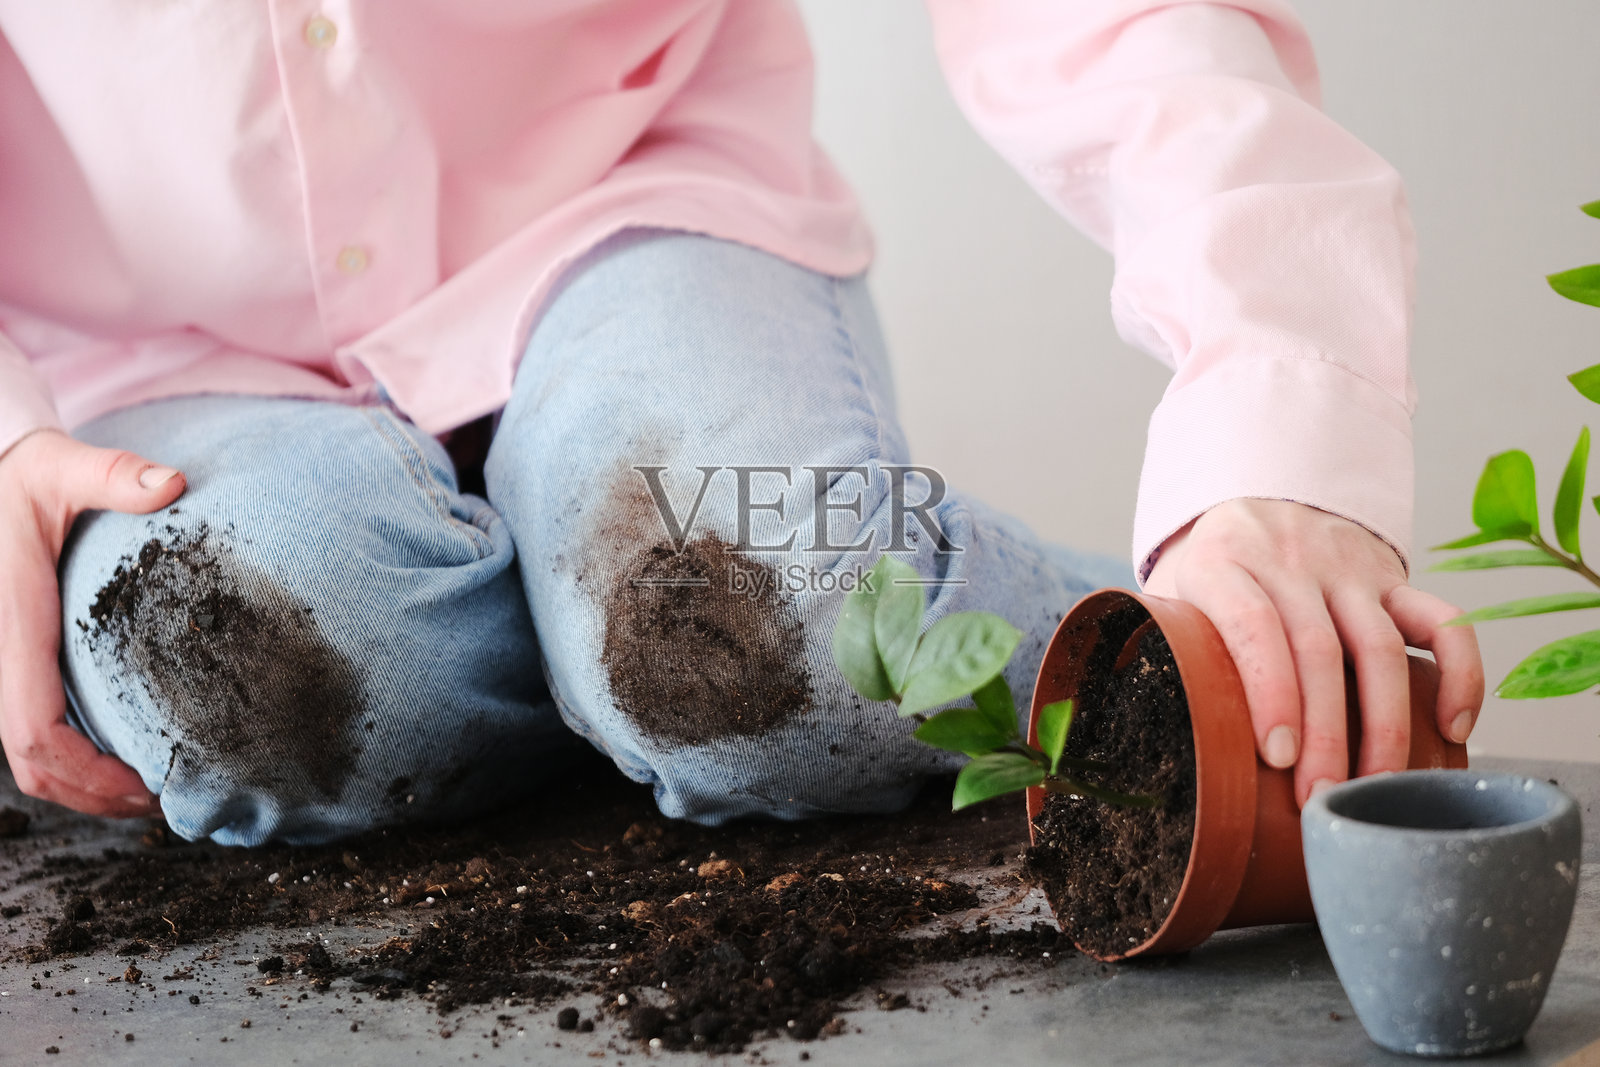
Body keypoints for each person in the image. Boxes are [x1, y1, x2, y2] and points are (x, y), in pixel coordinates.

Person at [0, 0, 1483, 846]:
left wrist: (1274, 416)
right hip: (147, 348)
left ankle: (1200, 677)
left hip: (622, 202)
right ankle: (606, 683)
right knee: (240, 663)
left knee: (743, 615)